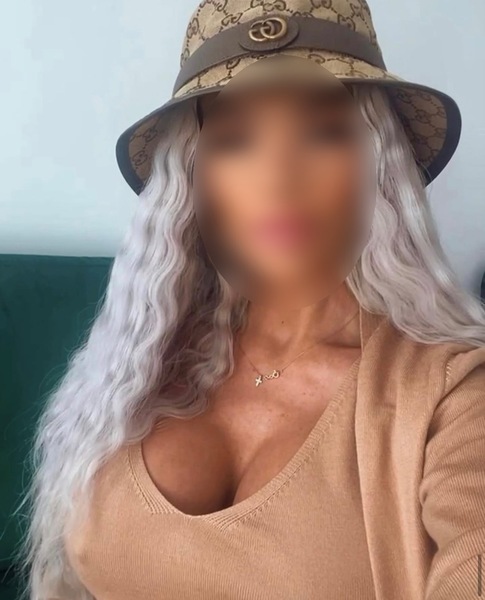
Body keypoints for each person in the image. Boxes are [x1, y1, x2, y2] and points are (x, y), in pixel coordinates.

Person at [16, 1, 485, 599]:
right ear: (194, 179)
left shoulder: (451, 395)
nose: (278, 178)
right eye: (235, 140)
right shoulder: (137, 363)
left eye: (324, 132)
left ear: (378, 166)